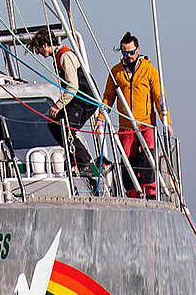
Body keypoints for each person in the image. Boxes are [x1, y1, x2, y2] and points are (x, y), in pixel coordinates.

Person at [93, 31, 169, 197]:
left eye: (131, 52)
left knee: (147, 160)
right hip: (126, 126)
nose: (128, 56)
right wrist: (100, 118)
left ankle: (151, 194)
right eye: (125, 53)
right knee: (127, 162)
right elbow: (108, 97)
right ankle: (132, 195)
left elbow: (158, 97)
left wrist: (166, 122)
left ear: (138, 50)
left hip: (146, 124)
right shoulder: (116, 72)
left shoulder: (149, 70)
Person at [28, 28, 97, 176]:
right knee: (54, 124)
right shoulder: (57, 57)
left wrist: (58, 105)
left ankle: (85, 164)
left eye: (39, 48)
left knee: (66, 128)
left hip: (85, 99)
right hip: (76, 99)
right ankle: (74, 161)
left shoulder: (65, 56)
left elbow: (73, 86)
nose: (39, 52)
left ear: (46, 44)